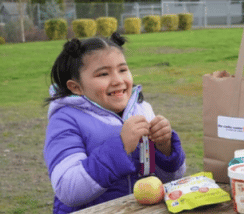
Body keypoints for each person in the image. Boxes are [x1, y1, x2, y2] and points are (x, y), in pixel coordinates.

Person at [43, 33, 186, 213]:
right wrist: (121, 146)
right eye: (103, 74)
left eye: (123, 70)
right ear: (76, 87)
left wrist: (165, 148)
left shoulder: (142, 109)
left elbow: (172, 178)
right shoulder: (65, 121)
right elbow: (68, 190)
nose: (118, 80)